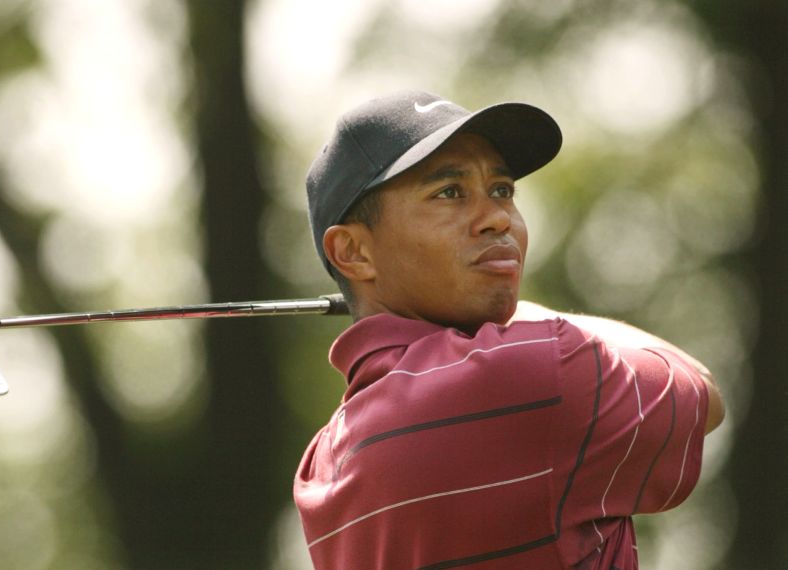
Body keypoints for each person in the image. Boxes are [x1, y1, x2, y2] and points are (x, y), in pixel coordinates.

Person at [294, 90, 724, 570]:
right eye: (449, 193)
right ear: (353, 253)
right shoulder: (531, 370)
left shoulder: (322, 466)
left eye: (501, 190)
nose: (498, 218)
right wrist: (533, 313)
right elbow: (699, 388)